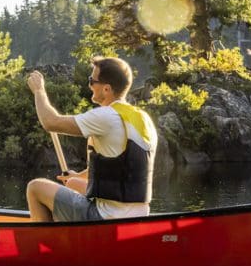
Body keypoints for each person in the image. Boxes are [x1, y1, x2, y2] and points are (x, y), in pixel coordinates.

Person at [25, 56, 157, 222]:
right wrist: (78, 176)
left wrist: (39, 91)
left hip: (106, 217)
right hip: (138, 214)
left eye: (92, 81)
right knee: (72, 183)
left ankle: (45, 245)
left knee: (35, 187)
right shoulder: (143, 119)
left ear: (106, 89)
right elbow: (119, 167)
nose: (89, 85)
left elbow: (51, 122)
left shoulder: (107, 116)